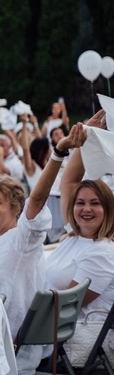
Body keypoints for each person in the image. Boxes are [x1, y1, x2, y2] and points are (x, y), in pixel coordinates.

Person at [0, 123, 85, 373]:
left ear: (16, 208)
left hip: (8, 349)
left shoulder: (22, 240)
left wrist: (59, 152)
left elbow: (37, 199)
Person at [46, 110, 114, 322]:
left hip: (70, 337)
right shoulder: (75, 234)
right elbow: (69, 181)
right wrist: (87, 135)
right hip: (47, 328)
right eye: (80, 203)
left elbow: (66, 306)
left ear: (109, 210)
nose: (86, 209)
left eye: (95, 203)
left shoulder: (102, 252)